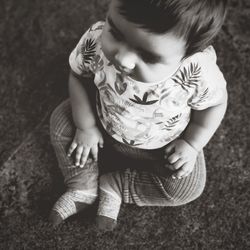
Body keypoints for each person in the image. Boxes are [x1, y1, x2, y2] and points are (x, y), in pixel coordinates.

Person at [49, 0, 228, 230]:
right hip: (101, 120)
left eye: (149, 56)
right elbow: (78, 76)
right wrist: (85, 126)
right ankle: (82, 185)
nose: (122, 58)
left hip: (163, 145)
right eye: (115, 32)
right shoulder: (95, 39)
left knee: (187, 187)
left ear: (189, 53)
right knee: (61, 120)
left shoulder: (196, 72)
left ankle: (116, 185)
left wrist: (191, 144)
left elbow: (215, 104)